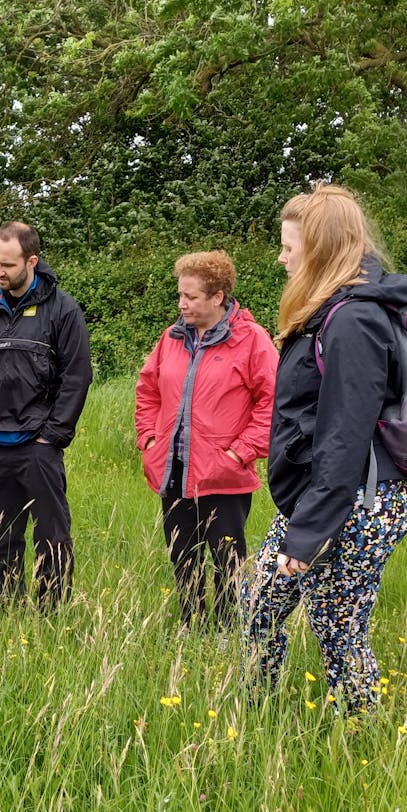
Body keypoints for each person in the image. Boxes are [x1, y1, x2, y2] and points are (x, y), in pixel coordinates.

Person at [242, 185, 407, 714]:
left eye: (289, 247)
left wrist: (306, 536)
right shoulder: (332, 312)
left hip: (357, 503)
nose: (281, 257)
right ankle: (255, 710)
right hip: (326, 499)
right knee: (260, 606)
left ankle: (364, 736)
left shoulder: (354, 322)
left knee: (339, 630)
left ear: (319, 250)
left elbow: (345, 434)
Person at [135, 250, 278, 632]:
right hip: (174, 470)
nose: (182, 304)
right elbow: (147, 390)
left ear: (217, 297)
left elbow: (273, 402)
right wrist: (149, 440)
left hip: (224, 476)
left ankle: (232, 633)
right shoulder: (172, 338)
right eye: (180, 295)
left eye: (191, 297)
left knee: (227, 558)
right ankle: (192, 627)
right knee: (182, 554)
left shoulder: (251, 341)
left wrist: (238, 452)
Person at [0, 221, 92, 609]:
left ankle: (53, 611)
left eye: (8, 265)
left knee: (51, 535)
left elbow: (77, 375)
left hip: (38, 445)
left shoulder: (62, 310)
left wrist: (52, 436)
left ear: (31, 261)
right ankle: (5, 607)